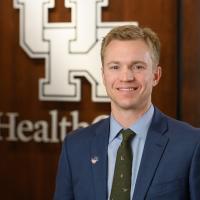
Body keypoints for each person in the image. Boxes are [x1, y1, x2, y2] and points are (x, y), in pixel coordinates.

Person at [53, 25, 200, 200]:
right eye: (115, 67)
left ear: (156, 75)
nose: (126, 77)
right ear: (103, 75)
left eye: (137, 67)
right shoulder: (75, 146)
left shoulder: (191, 145)